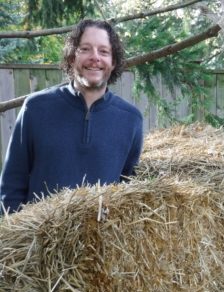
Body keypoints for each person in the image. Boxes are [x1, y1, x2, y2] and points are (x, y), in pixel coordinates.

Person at [0, 19, 143, 213]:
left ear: (114, 61)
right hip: (37, 240)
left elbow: (130, 191)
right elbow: (12, 185)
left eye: (103, 51)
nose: (95, 57)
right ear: (71, 57)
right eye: (85, 49)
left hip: (100, 242)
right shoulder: (35, 108)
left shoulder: (130, 119)